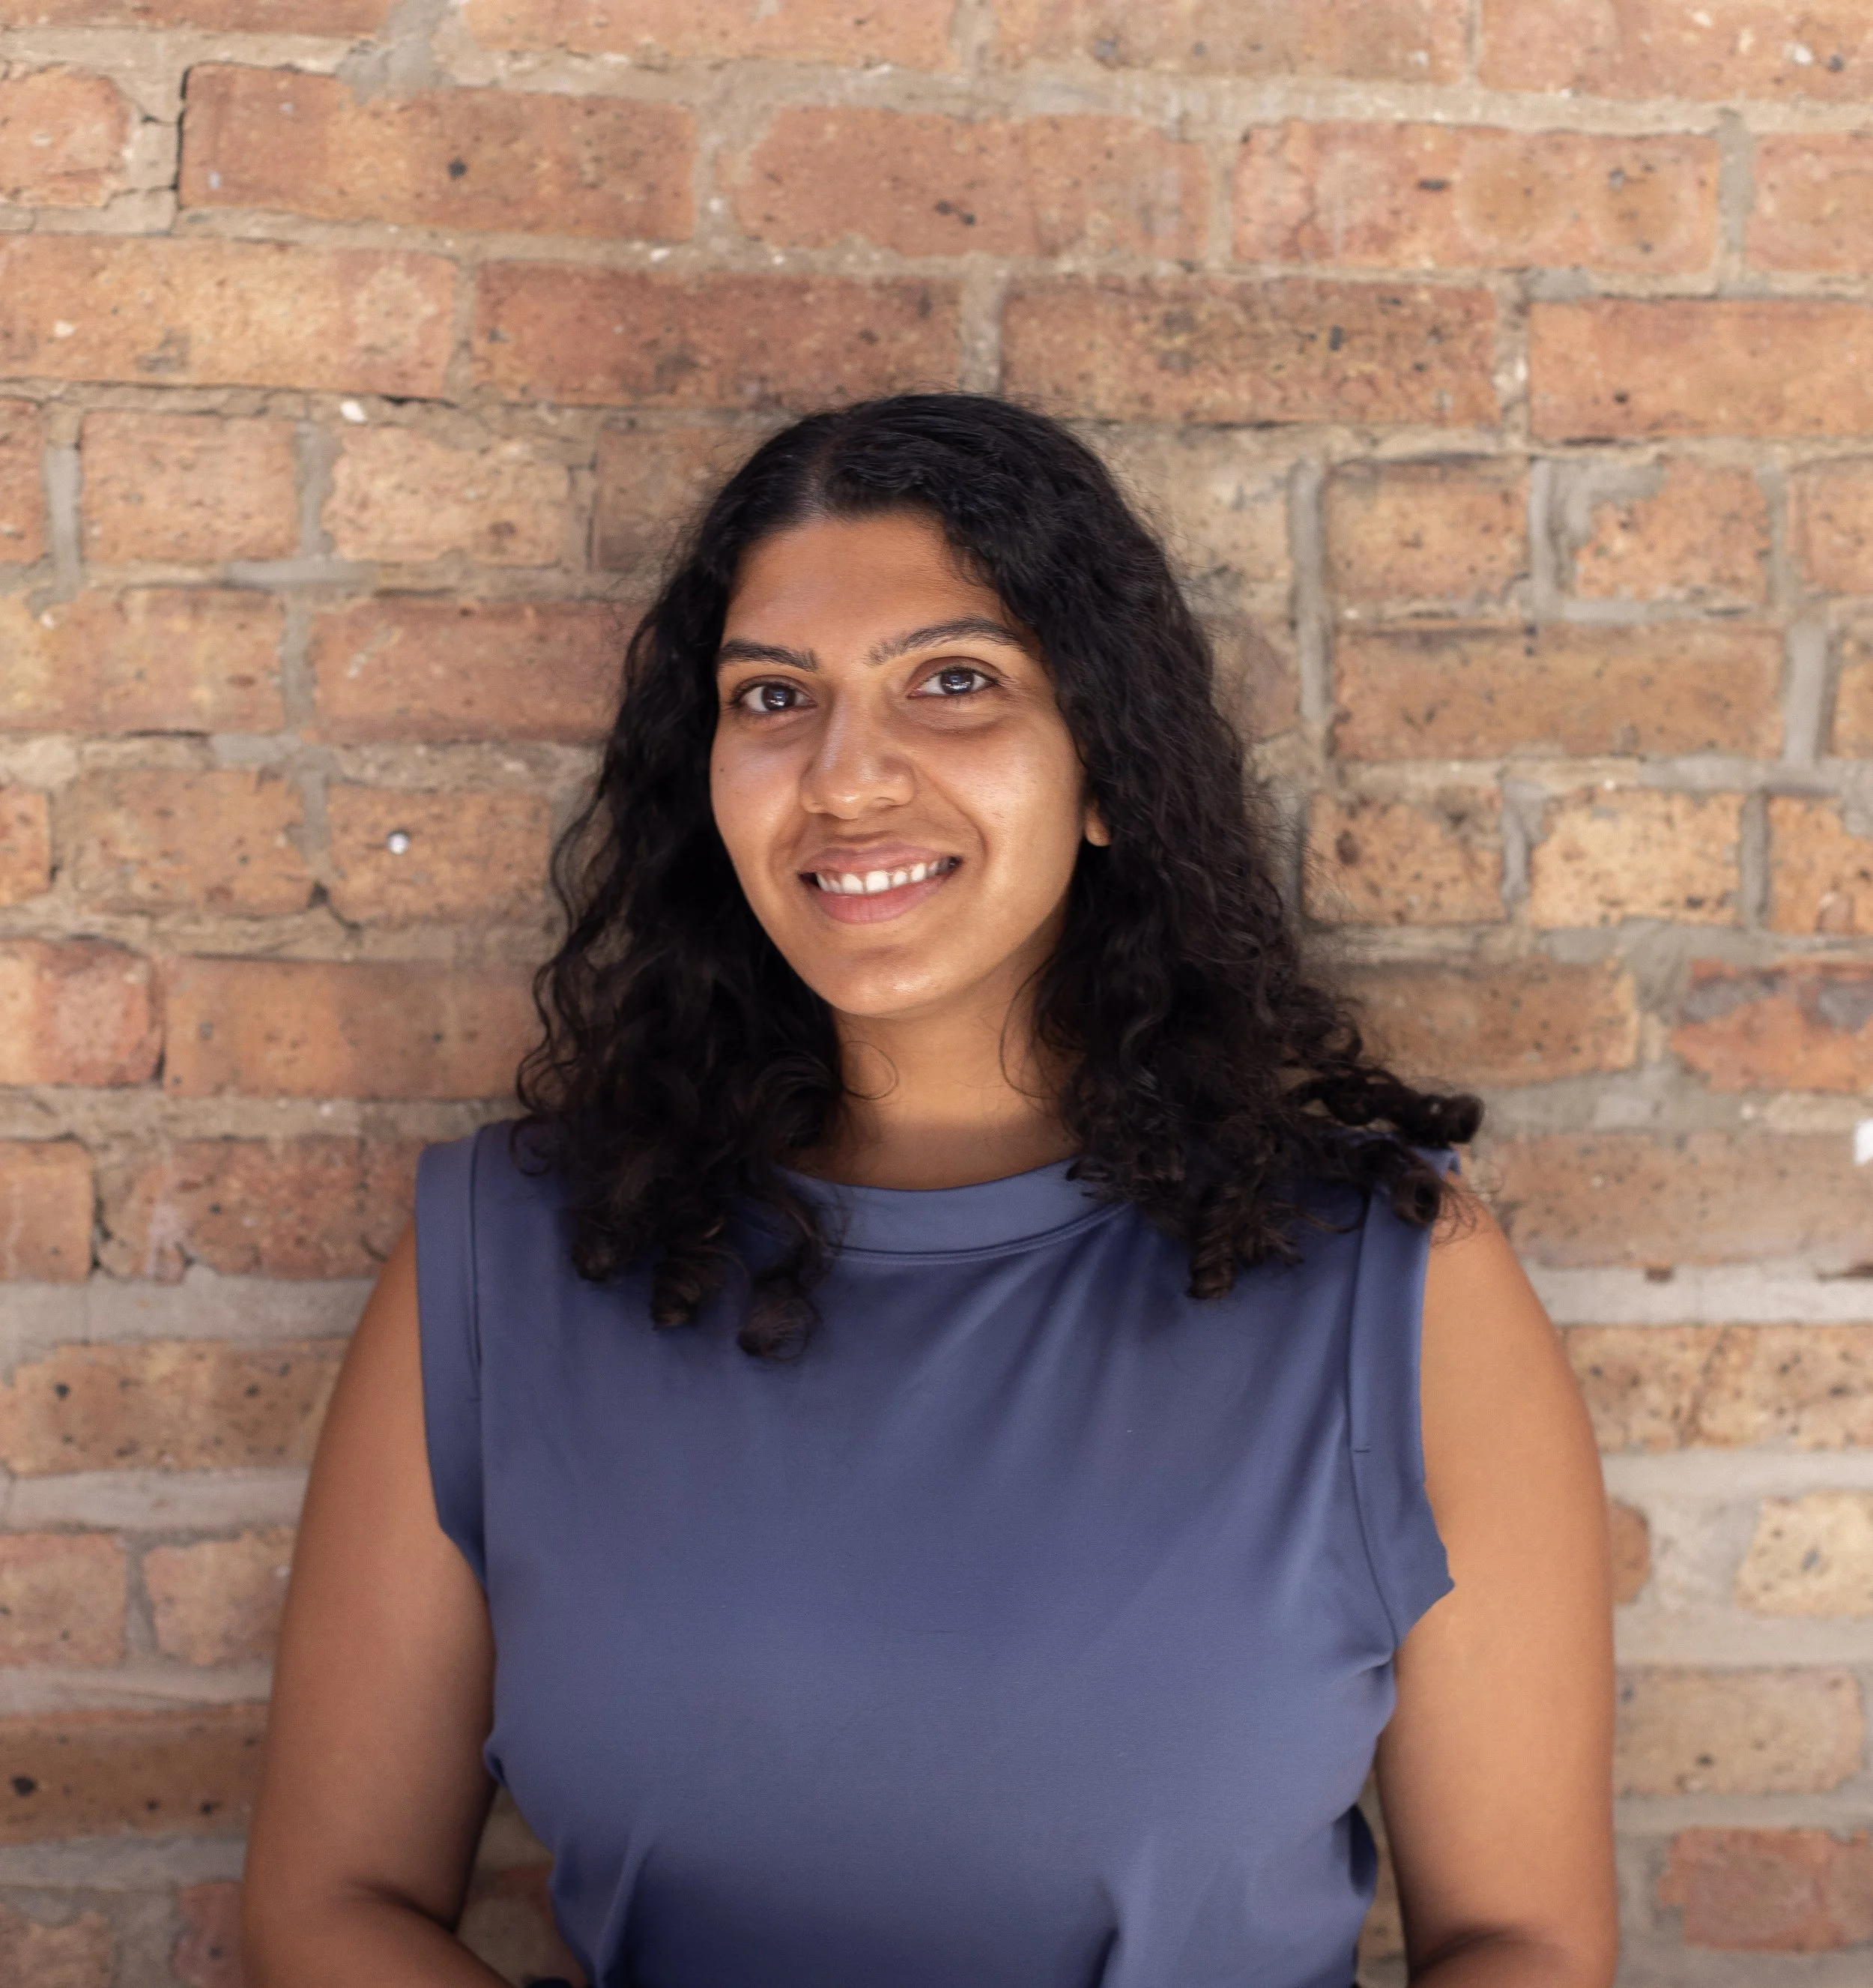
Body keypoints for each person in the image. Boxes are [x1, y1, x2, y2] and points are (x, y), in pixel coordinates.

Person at [242, 394, 1617, 1988]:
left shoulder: (1394, 1287)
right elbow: (328, 1909)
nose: (845, 779)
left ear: (1105, 766)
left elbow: (1521, 1943)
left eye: (953, 682)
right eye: (774, 697)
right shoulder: (507, 1264)